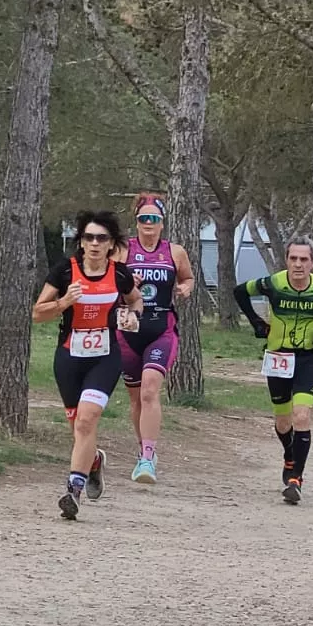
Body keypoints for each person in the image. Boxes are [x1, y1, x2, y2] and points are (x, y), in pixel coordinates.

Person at [33, 210, 143, 520]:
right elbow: (38, 313)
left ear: (111, 244)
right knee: (78, 429)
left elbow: (135, 299)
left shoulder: (120, 274)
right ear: (81, 242)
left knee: (86, 421)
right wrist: (64, 302)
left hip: (104, 358)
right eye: (88, 238)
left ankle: (73, 490)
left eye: (101, 238)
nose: (94, 243)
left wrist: (133, 314)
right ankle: (93, 462)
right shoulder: (64, 272)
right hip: (69, 358)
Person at [234, 236, 313, 505]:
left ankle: (296, 479)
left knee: (301, 416)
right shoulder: (273, 283)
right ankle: (289, 455)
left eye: (304, 259)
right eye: (293, 258)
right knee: (283, 422)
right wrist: (256, 321)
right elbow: (239, 291)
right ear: (286, 261)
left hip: (307, 359)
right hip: (278, 357)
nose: (298, 264)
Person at [116, 193, 195, 484]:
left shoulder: (175, 252)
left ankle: (148, 458)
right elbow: (106, 283)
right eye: (143, 219)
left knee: (151, 390)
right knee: (137, 399)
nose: (148, 224)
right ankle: (142, 450)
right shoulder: (123, 250)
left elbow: (188, 277)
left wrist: (186, 288)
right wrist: (124, 282)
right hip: (127, 330)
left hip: (161, 328)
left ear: (162, 223)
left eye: (154, 219)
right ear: (136, 222)